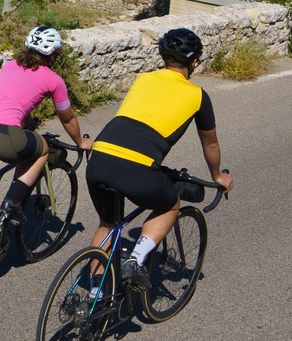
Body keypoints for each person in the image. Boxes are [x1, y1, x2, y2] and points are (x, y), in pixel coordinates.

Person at [83, 27, 234, 289]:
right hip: (137, 166)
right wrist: (217, 175)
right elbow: (209, 142)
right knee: (170, 204)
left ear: (163, 57)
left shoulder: (143, 79)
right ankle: (136, 259)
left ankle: (94, 292)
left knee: (107, 223)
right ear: (194, 61)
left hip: (100, 157)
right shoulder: (198, 96)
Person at [0, 26, 92, 221]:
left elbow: (14, 100)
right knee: (43, 149)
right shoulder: (54, 81)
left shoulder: (10, 65)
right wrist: (81, 142)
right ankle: (12, 203)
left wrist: (28, 123)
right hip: (2, 135)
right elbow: (68, 117)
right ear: (52, 55)